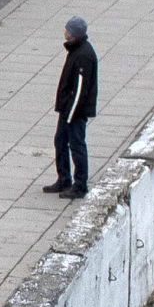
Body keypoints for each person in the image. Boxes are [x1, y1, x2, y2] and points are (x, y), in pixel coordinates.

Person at [45, 17, 99, 198]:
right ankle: (64, 179)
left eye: (67, 30)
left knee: (77, 146)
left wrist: (69, 114)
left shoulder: (83, 55)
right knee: (60, 142)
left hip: (74, 112)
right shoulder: (77, 50)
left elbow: (80, 90)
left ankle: (80, 185)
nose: (64, 32)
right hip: (68, 110)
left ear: (74, 33)